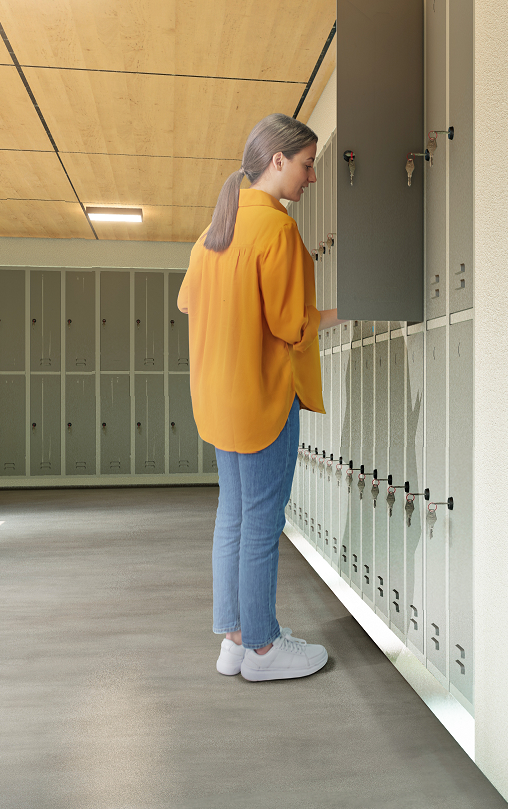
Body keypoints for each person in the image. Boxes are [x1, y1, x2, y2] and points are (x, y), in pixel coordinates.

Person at [177, 113, 345, 681]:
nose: (312, 176)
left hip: (219, 403)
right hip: (264, 402)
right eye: (306, 163)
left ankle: (237, 639)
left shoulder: (212, 234)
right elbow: (291, 324)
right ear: (278, 161)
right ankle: (266, 652)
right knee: (262, 523)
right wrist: (344, 309)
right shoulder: (276, 231)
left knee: (233, 518)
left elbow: (187, 303)